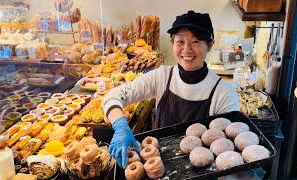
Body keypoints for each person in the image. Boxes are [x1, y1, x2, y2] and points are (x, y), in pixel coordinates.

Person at [102, 10, 239, 168]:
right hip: (161, 166)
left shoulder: (224, 93)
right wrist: (120, 125)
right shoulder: (161, 76)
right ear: (172, 42)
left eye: (195, 42)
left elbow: (228, 151)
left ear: (210, 45)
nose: (187, 49)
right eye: (180, 41)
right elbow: (112, 96)